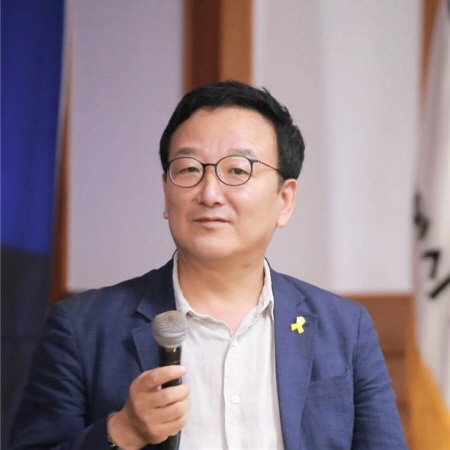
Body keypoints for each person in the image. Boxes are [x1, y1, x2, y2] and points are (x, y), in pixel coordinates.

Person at [9, 80, 407, 450]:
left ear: (284, 200)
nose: (210, 193)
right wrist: (122, 432)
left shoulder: (344, 329)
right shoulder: (83, 327)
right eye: (189, 169)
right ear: (166, 194)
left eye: (237, 170)